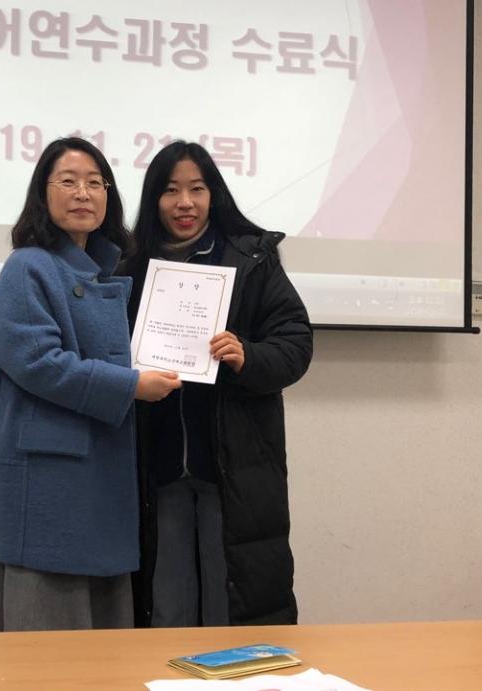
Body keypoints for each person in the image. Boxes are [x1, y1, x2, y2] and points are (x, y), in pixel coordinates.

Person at [0, 137, 181, 632]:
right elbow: (39, 363)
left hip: (97, 473)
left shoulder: (104, 271)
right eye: (68, 181)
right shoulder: (27, 266)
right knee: (46, 648)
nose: (83, 193)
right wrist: (131, 386)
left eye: (95, 182)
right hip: (50, 481)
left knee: (103, 644)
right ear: (42, 193)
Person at [121, 141, 313, 627]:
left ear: (214, 195)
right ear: (154, 199)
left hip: (232, 468)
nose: (184, 203)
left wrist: (248, 356)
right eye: (170, 191)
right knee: (167, 608)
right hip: (159, 466)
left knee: (230, 608)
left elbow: (295, 344)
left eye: (197, 189)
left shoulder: (250, 259)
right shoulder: (130, 265)